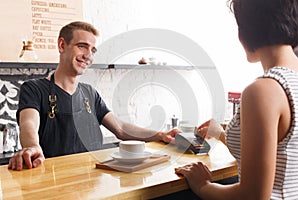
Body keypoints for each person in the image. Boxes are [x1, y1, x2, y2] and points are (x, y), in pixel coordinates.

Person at [8, 21, 179, 171]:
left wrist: (160, 135)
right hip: (53, 181)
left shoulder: (90, 92)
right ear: (62, 45)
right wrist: (32, 146)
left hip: (93, 180)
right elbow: (28, 122)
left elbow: (120, 128)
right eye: (82, 46)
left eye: (93, 50)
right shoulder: (34, 88)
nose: (88, 55)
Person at [175, 0, 298, 199]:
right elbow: (281, 154)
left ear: (244, 34)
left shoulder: (263, 91)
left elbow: (253, 195)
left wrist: (202, 185)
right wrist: (222, 134)